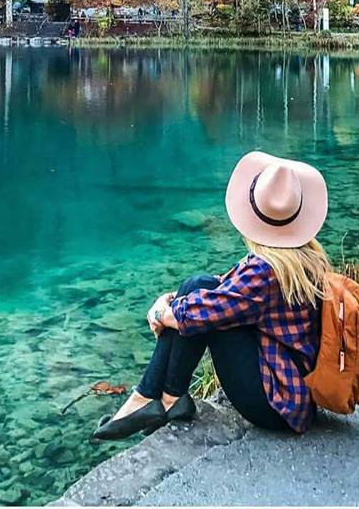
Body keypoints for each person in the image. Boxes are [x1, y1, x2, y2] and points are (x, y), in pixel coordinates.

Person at [92, 151, 330, 441]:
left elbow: (203, 312)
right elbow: (227, 290)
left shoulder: (267, 271)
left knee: (198, 303)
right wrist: (169, 304)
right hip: (295, 394)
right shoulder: (299, 258)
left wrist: (161, 314)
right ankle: (165, 398)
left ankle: (150, 398)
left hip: (277, 407)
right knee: (199, 286)